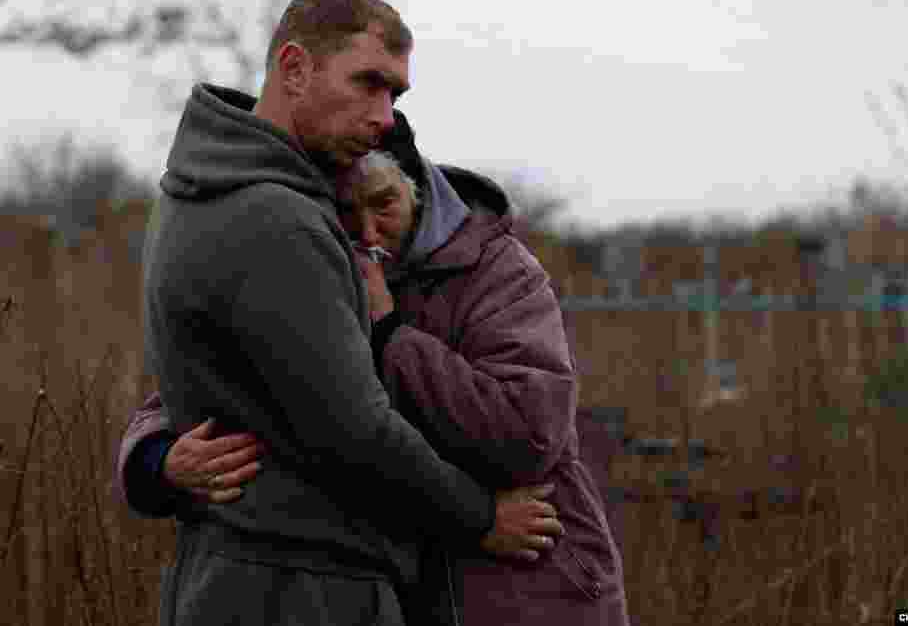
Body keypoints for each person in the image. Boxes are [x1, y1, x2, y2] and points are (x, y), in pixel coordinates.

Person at [126, 0, 564, 626]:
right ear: (295, 68)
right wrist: (482, 517)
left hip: (270, 575)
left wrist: (154, 463)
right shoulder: (279, 217)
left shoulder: (206, 186)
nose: (385, 115)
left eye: (395, 93)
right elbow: (357, 430)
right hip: (301, 588)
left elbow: (251, 376)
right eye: (368, 82)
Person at [118, 109, 631, 625]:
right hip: (398, 586)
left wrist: (389, 334)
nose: (367, 232)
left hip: (528, 580)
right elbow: (210, 376)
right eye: (345, 211)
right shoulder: (308, 265)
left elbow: (528, 432)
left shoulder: (498, 273)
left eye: (384, 203)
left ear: (420, 190)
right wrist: (158, 461)